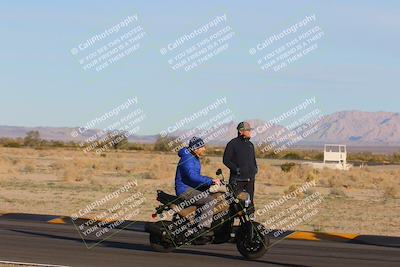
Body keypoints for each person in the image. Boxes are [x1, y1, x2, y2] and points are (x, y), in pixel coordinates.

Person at [175, 136, 221, 238]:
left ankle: (197, 223)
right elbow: (192, 176)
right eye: (202, 147)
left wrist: (211, 181)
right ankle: (202, 228)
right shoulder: (187, 159)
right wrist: (210, 181)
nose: (204, 149)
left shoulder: (194, 158)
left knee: (213, 194)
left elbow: (196, 177)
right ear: (196, 148)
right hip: (185, 190)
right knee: (210, 200)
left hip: (191, 187)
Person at [223, 121, 258, 212]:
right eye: (248, 130)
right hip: (237, 180)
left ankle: (249, 224)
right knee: (235, 204)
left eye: (250, 130)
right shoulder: (232, 144)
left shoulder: (250, 145)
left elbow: (253, 160)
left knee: (249, 203)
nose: (250, 132)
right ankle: (229, 225)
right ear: (241, 131)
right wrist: (237, 170)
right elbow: (226, 160)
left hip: (250, 180)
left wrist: (255, 169)